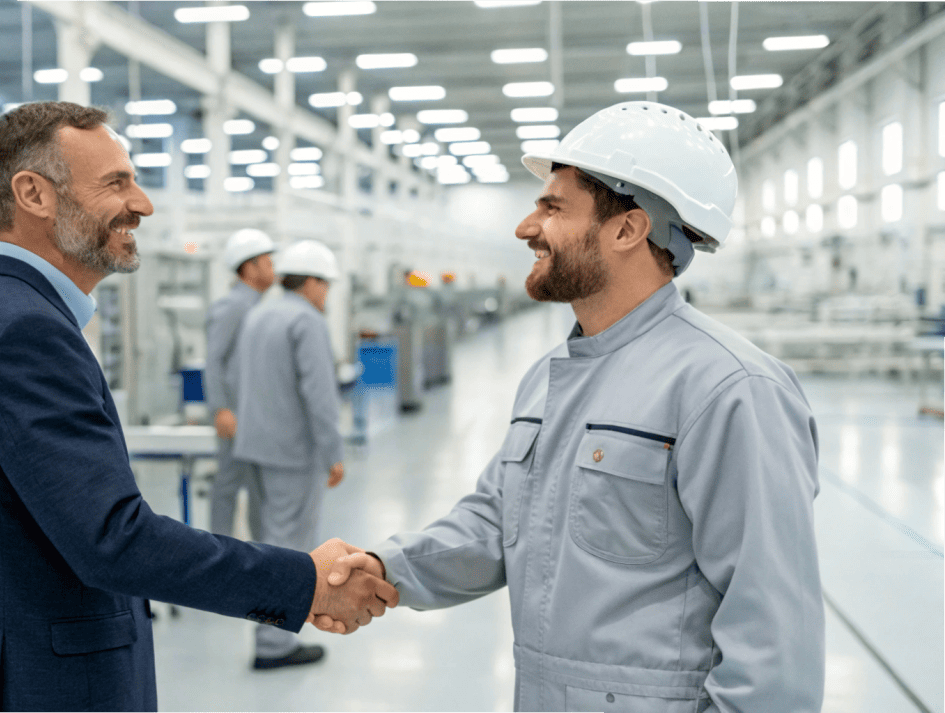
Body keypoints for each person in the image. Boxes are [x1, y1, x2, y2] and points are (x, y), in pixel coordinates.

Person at [0, 101, 396, 713]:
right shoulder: (27, 332)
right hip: (47, 689)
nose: (142, 204)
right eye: (116, 183)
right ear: (33, 194)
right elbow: (113, 540)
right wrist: (304, 582)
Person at [318, 101, 825, 712]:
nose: (525, 227)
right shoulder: (550, 376)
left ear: (627, 230)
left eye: (553, 208)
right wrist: (383, 567)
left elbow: (773, 637)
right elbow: (499, 522)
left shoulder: (730, 388)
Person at [233, 240, 347, 670]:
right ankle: (273, 644)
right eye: (326, 284)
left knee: (266, 542)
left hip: (254, 446)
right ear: (312, 282)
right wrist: (333, 452)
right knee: (289, 549)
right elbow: (320, 395)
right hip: (292, 453)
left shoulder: (259, 314)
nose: (326, 294)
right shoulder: (307, 321)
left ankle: (268, 633)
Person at [205, 228, 276, 540]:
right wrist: (221, 408)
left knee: (260, 489)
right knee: (228, 485)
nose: (273, 269)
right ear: (250, 267)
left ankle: (263, 551)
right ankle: (219, 548)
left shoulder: (259, 304)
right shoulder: (234, 305)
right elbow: (214, 359)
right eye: (268, 262)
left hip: (256, 415)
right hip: (236, 415)